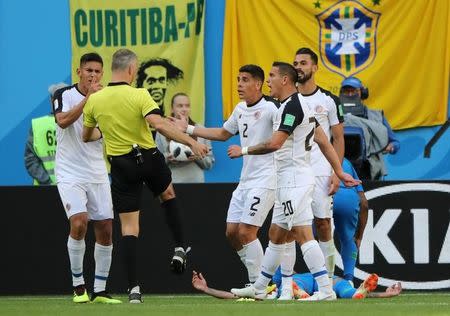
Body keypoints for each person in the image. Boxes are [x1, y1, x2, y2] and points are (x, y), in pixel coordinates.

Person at [82, 48, 208, 303]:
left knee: (129, 229)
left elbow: (87, 136)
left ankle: (134, 290)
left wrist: (109, 130)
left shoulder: (95, 100)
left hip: (121, 165)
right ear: (130, 69)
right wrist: (192, 143)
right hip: (147, 158)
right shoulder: (139, 94)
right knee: (168, 194)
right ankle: (180, 247)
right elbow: (159, 124)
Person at [227, 62, 360, 301]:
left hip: (293, 182)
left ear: (285, 80)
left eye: (272, 76)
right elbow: (323, 141)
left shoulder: (291, 108)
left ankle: (326, 290)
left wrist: (244, 150)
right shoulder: (302, 105)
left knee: (301, 234)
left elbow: (275, 143)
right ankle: (259, 287)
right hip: (290, 181)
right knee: (276, 236)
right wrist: (339, 171)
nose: (268, 81)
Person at [172, 64, 279, 286]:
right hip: (246, 180)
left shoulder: (272, 108)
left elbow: (279, 141)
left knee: (247, 231)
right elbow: (222, 133)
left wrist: (245, 150)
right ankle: (261, 278)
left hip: (266, 178)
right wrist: (189, 129)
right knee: (232, 233)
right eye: (238, 79)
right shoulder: (240, 109)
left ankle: (259, 286)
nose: (239, 84)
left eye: (245, 79)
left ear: (258, 84)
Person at [53, 53, 121, 304]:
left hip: (97, 171)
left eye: (97, 71)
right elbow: (62, 122)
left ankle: (100, 290)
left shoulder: (106, 99)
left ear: (102, 74)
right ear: (79, 71)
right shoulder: (63, 95)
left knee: (105, 229)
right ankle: (78, 286)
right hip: (70, 172)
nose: (93, 75)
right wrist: (88, 100)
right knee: (80, 222)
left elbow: (110, 128)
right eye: (88, 70)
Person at [292, 47, 345, 280]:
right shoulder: (287, 100)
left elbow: (338, 138)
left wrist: (337, 171)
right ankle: (287, 280)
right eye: (295, 63)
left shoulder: (329, 100)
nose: (299, 67)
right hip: (294, 170)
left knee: (323, 223)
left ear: (315, 67)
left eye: (303, 63)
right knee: (291, 226)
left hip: (322, 169)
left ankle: (329, 280)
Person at [192, 270, 402, 300]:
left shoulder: (272, 284)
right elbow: (238, 296)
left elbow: (237, 296)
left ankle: (297, 292)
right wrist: (386, 295)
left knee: (286, 285)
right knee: (346, 290)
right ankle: (359, 289)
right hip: (320, 279)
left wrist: (208, 290)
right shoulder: (271, 287)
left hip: (299, 282)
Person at [340, 77, 400, 179]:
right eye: (346, 91)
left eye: (354, 91)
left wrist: (391, 147)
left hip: (369, 169)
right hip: (339, 167)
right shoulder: (334, 115)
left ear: (363, 93)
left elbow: (395, 142)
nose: (350, 94)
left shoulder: (376, 116)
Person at [155, 93, 215, 183]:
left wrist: (198, 156)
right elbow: (156, 163)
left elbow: (209, 164)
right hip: (172, 182)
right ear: (172, 108)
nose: (184, 109)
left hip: (196, 183)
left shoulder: (200, 130)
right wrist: (168, 157)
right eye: (180, 106)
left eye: (187, 106)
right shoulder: (162, 132)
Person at [24, 82, 68, 185]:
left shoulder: (38, 125)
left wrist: (47, 182)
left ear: (51, 100)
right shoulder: (77, 123)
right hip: (69, 188)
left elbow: (30, 160)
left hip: (45, 190)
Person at [333, 158, 368, 284]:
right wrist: (359, 237)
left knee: (305, 237)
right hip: (347, 197)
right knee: (348, 239)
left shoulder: (309, 153)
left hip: (321, 193)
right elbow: (364, 203)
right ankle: (349, 281)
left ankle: (281, 280)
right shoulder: (346, 162)